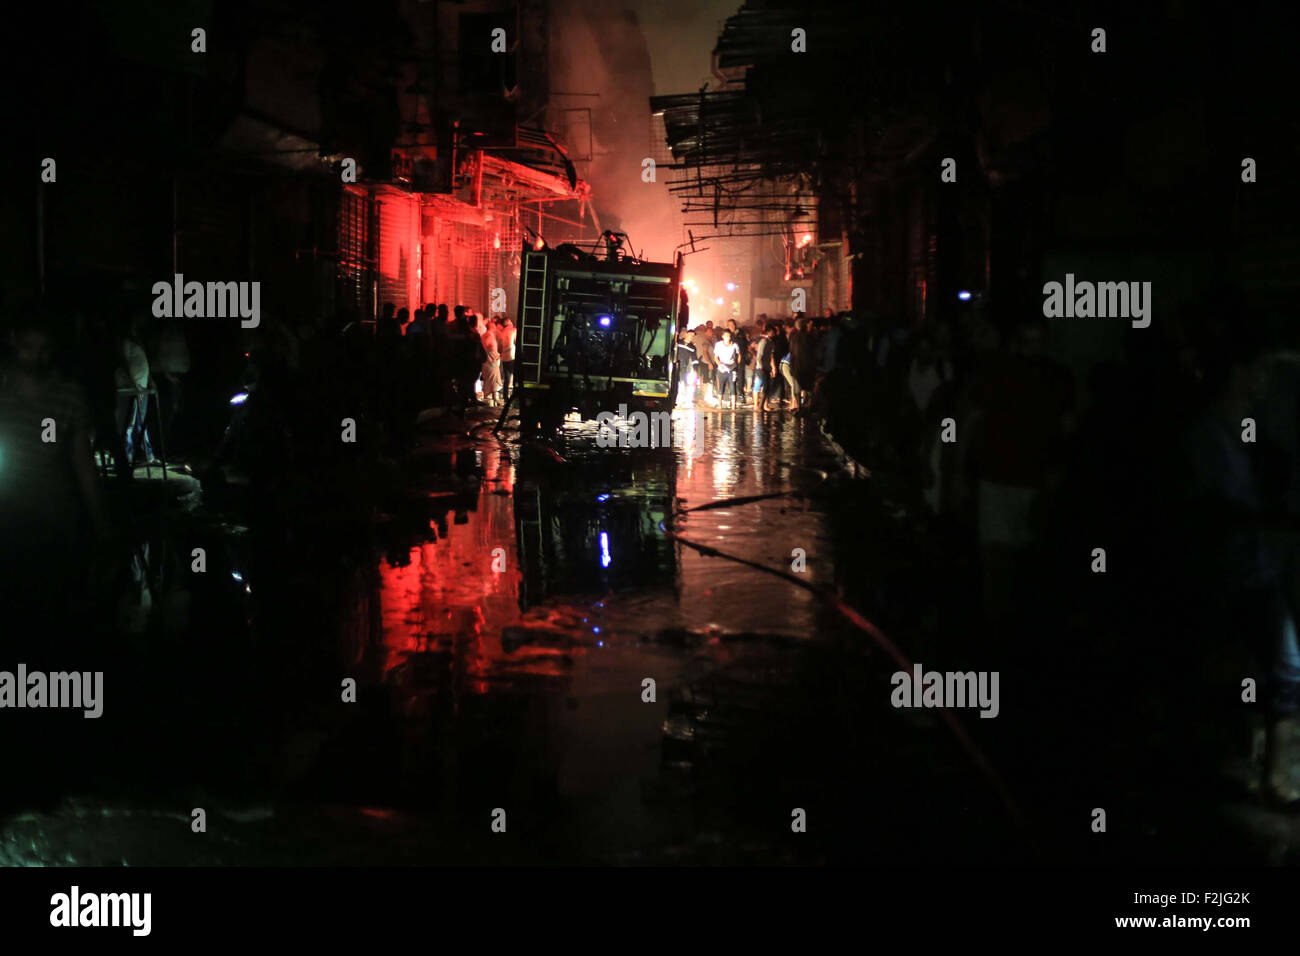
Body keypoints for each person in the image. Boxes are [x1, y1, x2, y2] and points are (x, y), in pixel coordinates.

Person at [114, 314, 156, 474]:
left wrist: (150, 380)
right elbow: (125, 362)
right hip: (133, 388)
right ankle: (128, 455)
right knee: (130, 423)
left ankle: (148, 455)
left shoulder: (137, 343)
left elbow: (142, 362)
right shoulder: (125, 342)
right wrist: (134, 385)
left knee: (140, 422)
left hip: (141, 386)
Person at [713, 328, 741, 410]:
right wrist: (720, 365)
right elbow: (715, 357)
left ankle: (733, 406)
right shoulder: (718, 345)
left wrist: (736, 365)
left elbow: (739, 355)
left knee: (733, 386)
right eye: (725, 336)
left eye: (728, 336)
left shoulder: (734, 345)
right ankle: (720, 405)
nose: (727, 338)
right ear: (722, 336)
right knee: (721, 386)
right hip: (722, 367)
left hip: (732, 367)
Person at [497, 315, 516, 402]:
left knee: (507, 378)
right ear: (509, 322)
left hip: (504, 357)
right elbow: (516, 342)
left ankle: (505, 396)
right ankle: (515, 395)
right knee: (516, 376)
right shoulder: (513, 330)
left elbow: (499, 347)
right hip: (512, 356)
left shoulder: (501, 332)